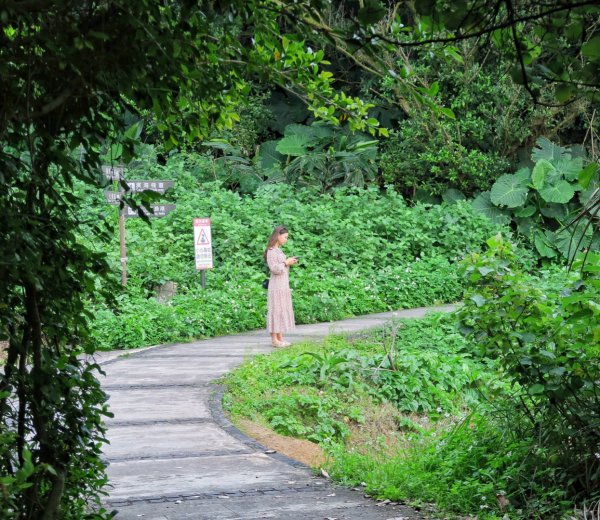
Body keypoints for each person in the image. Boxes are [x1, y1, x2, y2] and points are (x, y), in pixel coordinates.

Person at [264, 225, 298, 347]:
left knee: (281, 309)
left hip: (283, 286)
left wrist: (289, 262)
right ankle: (274, 340)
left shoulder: (279, 250)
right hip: (276, 287)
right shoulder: (271, 251)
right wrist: (285, 262)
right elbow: (274, 269)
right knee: (276, 310)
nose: (286, 240)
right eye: (285, 237)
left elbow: (281, 267)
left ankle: (280, 337)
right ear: (277, 236)